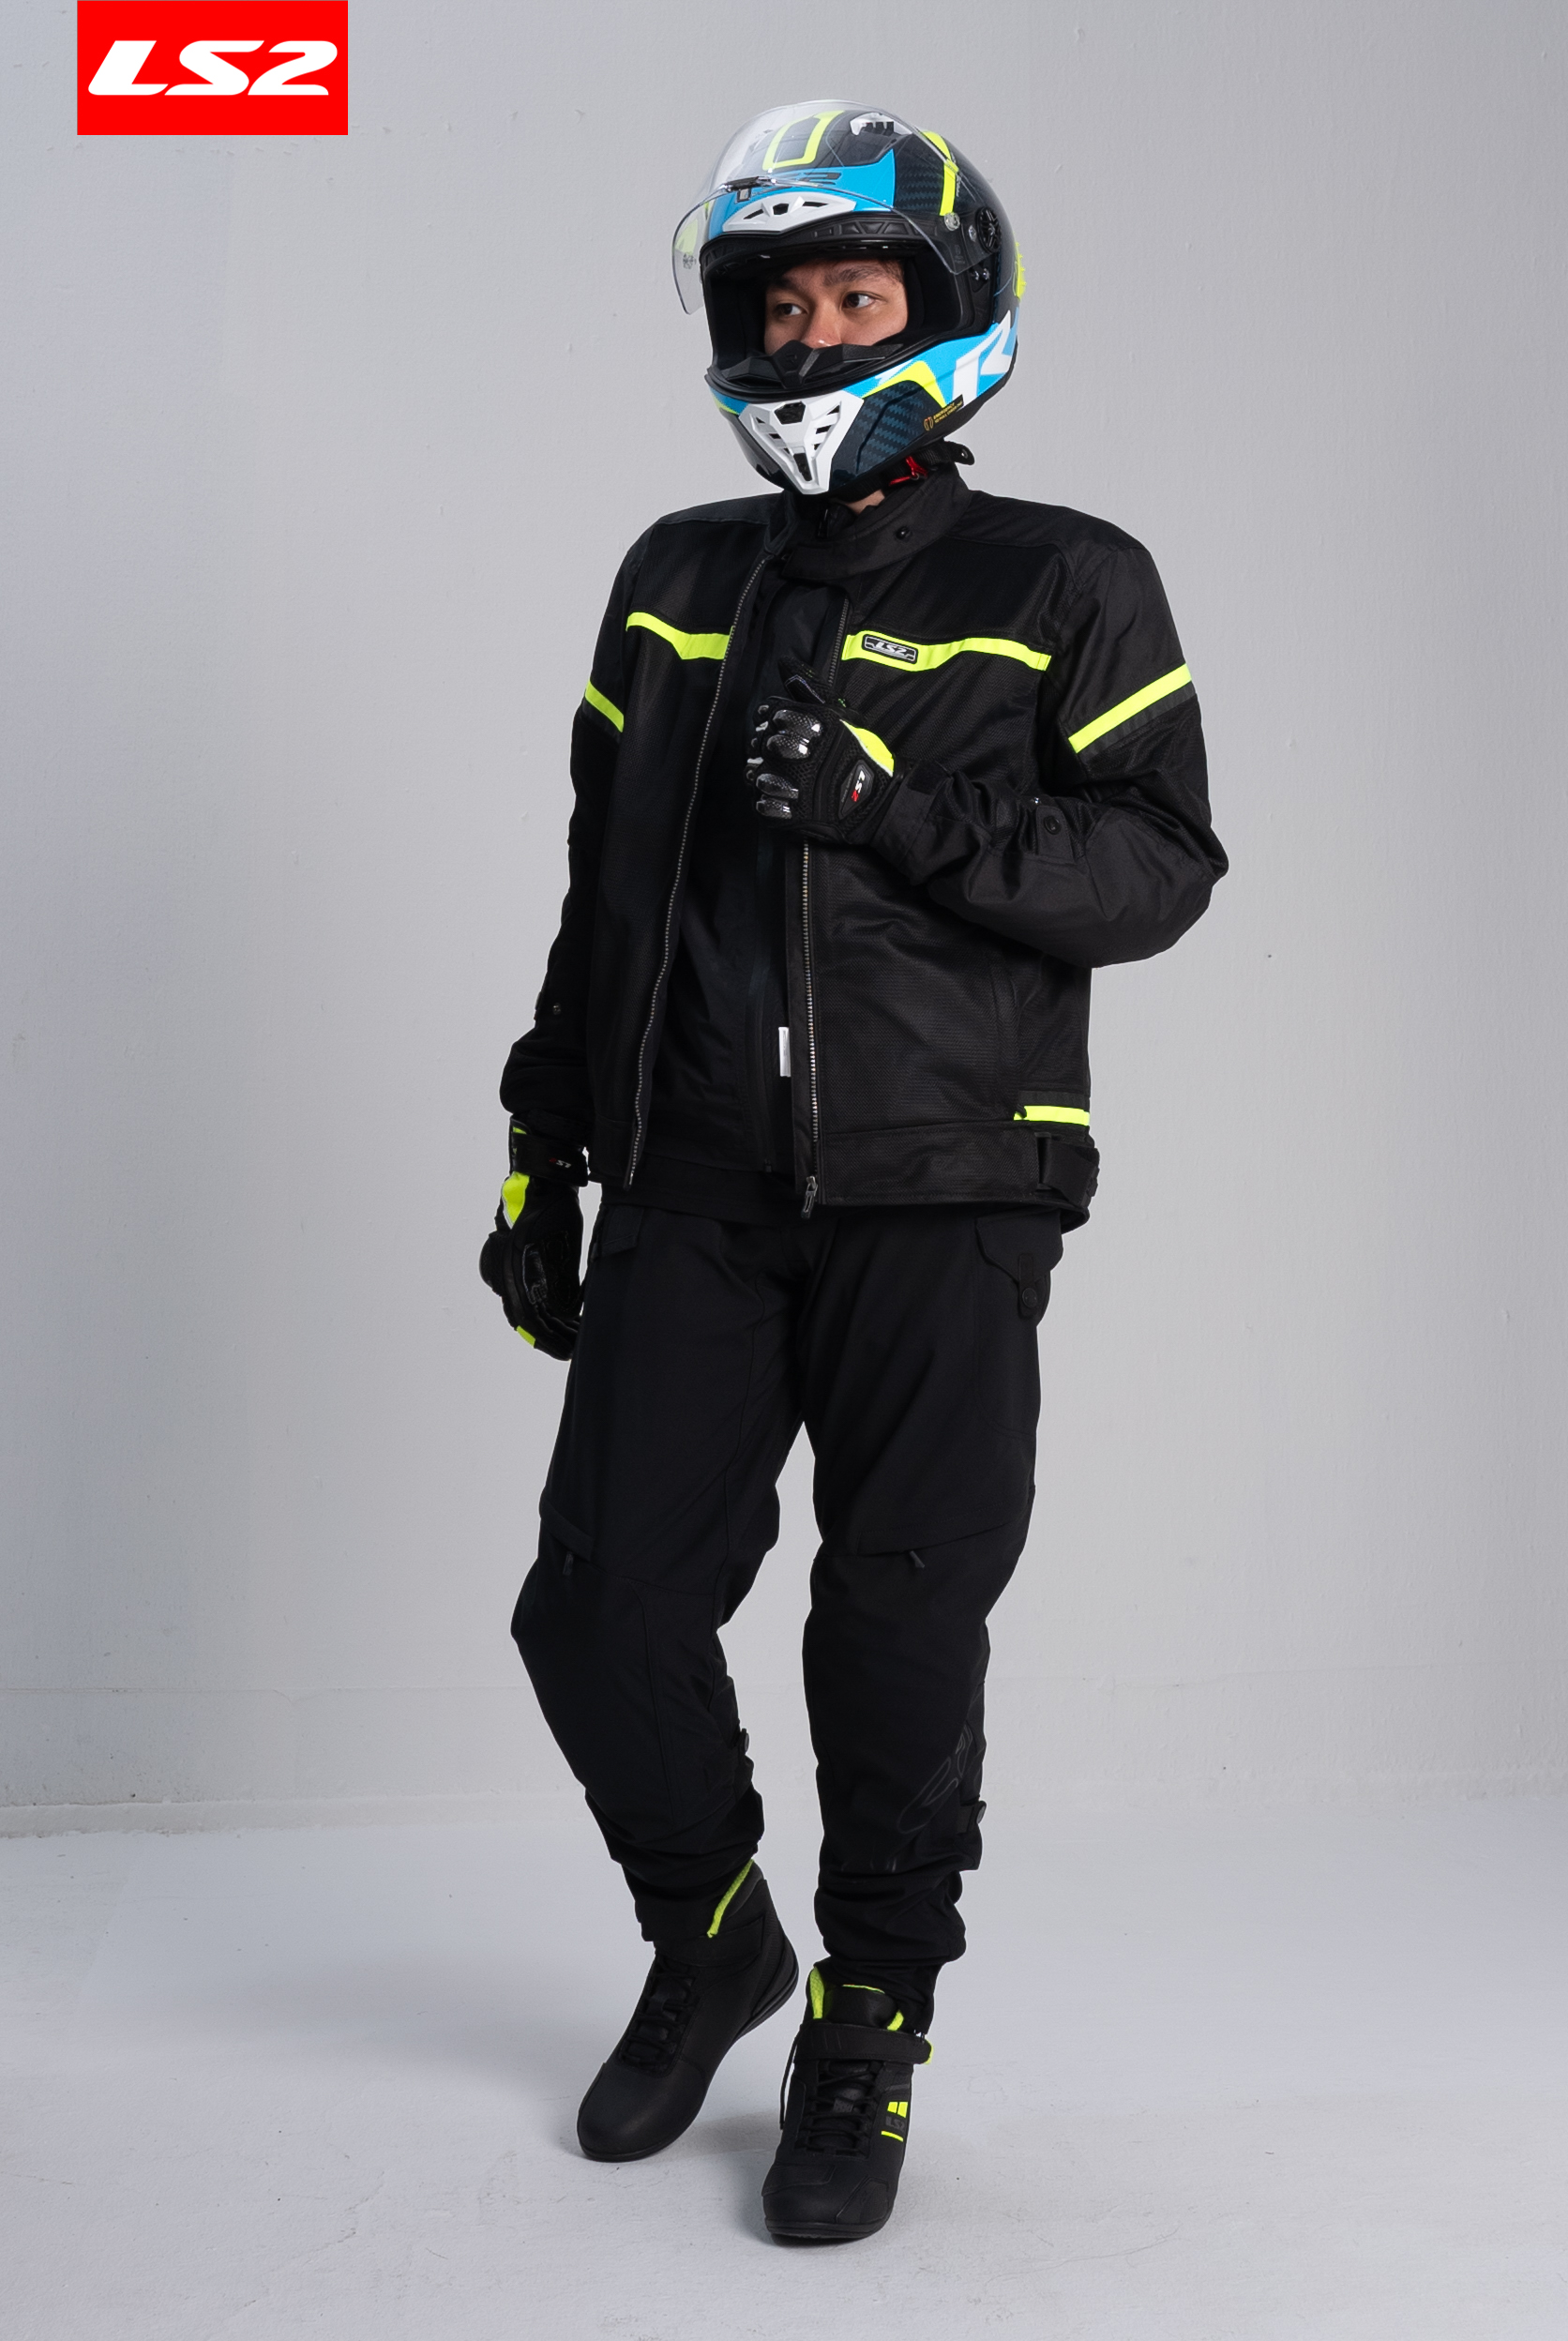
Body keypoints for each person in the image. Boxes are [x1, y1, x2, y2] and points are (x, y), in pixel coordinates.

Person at [480, 99, 1226, 2243]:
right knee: (597, 1606)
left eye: (853, 294)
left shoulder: (1062, 578)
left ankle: (868, 2019)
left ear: (944, 311)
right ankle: (711, 1934)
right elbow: (604, 892)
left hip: (946, 1183)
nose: (812, 336)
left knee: (892, 1633)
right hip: (695, 1180)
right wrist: (546, 1141)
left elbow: (1155, 872)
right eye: (781, 303)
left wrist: (895, 807)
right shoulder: (674, 578)